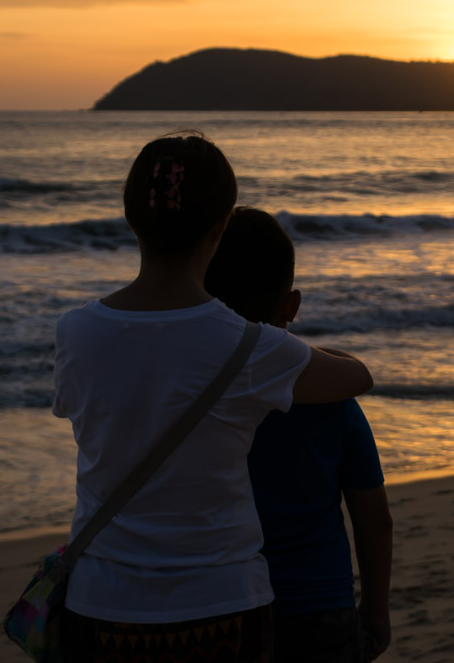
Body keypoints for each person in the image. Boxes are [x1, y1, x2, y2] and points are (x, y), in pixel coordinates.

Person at [52, 133, 373, 663]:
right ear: (220, 227)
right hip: (220, 603)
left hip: (102, 600)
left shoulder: (77, 332)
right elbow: (355, 377)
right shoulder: (252, 347)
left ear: (131, 219)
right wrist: (301, 348)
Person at [205, 207, 393, 662]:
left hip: (217, 603)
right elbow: (372, 518)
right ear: (292, 304)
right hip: (321, 605)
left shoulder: (189, 394)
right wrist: (375, 609)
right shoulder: (334, 400)